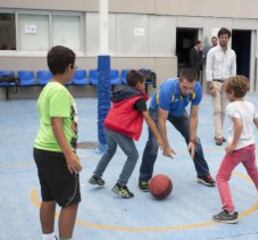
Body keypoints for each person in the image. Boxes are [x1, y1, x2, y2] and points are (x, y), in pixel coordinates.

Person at [88, 70, 164, 198]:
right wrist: (159, 137)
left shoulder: (122, 93)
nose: (144, 85)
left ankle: (96, 175)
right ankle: (121, 185)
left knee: (110, 151)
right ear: (139, 84)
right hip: (117, 129)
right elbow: (148, 119)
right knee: (133, 155)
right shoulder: (138, 99)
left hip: (108, 125)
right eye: (143, 83)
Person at [138, 67, 215, 191]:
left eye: (191, 88)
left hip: (178, 110)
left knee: (196, 141)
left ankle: (203, 174)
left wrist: (192, 140)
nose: (188, 91)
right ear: (179, 81)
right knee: (154, 143)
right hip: (158, 111)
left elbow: (194, 116)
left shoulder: (197, 89)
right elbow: (162, 121)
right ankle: (144, 178)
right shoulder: (168, 89)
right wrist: (166, 146)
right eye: (185, 87)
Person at [33, 46, 81, 240]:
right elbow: (56, 123)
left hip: (42, 149)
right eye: (74, 66)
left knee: (49, 197)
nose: (75, 69)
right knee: (70, 201)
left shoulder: (48, 88)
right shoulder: (60, 91)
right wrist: (69, 153)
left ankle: (47, 237)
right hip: (56, 153)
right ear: (69, 67)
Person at [213, 75, 258, 224]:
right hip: (250, 146)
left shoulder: (231, 106)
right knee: (253, 171)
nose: (226, 95)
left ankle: (229, 211)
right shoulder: (250, 105)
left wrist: (233, 144)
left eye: (226, 92)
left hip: (238, 149)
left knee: (221, 177)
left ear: (231, 92)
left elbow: (238, 125)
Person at [206, 27, 237, 145]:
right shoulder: (212, 52)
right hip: (215, 82)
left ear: (228, 39)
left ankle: (219, 133)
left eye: (226, 37)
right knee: (217, 110)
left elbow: (233, 70)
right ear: (218, 38)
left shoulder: (232, 53)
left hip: (227, 84)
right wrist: (210, 85)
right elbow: (208, 68)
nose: (224, 39)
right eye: (222, 37)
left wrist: (232, 86)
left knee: (224, 110)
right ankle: (218, 136)